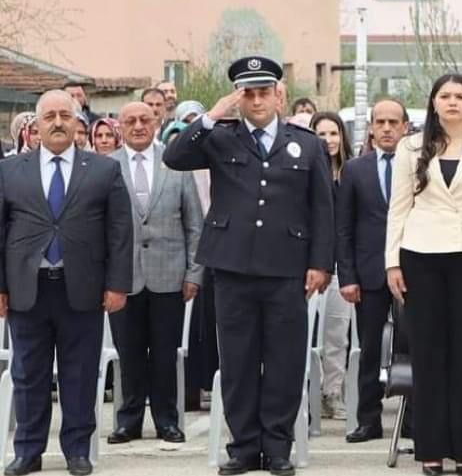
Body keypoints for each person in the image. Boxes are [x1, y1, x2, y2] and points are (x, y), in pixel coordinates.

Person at [163, 56, 333, 476]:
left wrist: (319, 264)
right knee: (237, 361)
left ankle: (277, 446)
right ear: (239, 97)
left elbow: (322, 210)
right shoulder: (220, 137)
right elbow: (174, 156)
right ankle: (243, 446)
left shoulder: (306, 142)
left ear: (279, 95)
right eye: (248, 93)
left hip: (287, 267)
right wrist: (212, 114)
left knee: (285, 361)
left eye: (264, 92)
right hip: (233, 266)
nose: (257, 101)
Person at [0, 90, 133, 476]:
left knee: (78, 373)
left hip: (83, 289)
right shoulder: (9, 171)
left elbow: (119, 232)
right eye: (49, 116)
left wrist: (117, 284)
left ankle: (78, 451)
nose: (57, 122)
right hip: (29, 288)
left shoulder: (104, 170)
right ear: (35, 125)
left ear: (78, 123)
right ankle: (28, 451)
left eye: (65, 115)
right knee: (28, 375)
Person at [385, 74, 462, 476]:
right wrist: (392, 262)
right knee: (428, 354)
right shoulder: (410, 147)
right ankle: (431, 451)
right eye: (445, 96)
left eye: (460, 96)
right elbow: (398, 207)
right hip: (420, 256)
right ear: (433, 103)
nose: (452, 102)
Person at [106, 102, 203, 446]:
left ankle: (167, 420)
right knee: (128, 353)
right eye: (129, 120)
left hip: (170, 276)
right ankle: (128, 421)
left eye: (144, 119)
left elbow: (195, 225)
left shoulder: (176, 165)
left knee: (165, 353)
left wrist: (194, 273)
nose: (137, 126)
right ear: (120, 126)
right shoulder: (106, 167)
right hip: (123, 278)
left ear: (157, 122)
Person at [337, 99, 409, 443]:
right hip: (368, 274)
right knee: (369, 349)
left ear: (405, 127)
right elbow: (344, 228)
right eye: (379, 122)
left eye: (393, 122)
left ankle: (412, 418)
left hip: (412, 272)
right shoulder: (355, 169)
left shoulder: (419, 166)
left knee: (413, 346)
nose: (386, 128)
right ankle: (368, 419)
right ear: (370, 128)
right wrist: (347, 277)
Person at [310, 111, 354, 420]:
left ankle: (332, 391)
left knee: (338, 335)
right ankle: (307, 393)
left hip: (343, 267)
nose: (328, 140)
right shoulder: (306, 172)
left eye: (334, 133)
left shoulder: (352, 173)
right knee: (308, 335)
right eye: (321, 134)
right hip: (313, 265)